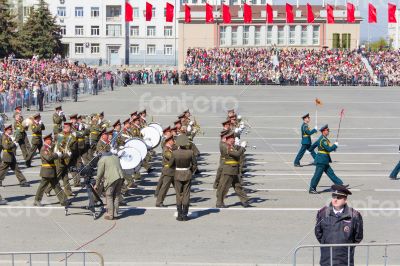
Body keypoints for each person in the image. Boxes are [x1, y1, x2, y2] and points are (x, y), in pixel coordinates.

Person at [315, 185, 363, 266]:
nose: (335, 200)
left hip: (345, 259)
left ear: (345, 200)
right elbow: (318, 233)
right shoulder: (323, 213)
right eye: (334, 196)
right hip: (327, 259)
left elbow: (358, 237)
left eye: (339, 197)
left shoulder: (354, 215)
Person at [216, 132, 250, 208]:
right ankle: (219, 202)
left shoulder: (230, 146)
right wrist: (243, 147)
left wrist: (241, 146)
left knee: (237, 186)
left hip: (234, 169)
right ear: (228, 139)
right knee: (224, 187)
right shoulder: (227, 147)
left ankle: (244, 200)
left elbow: (237, 148)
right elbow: (237, 154)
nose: (234, 140)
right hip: (229, 169)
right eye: (233, 139)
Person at [34, 134, 69, 207]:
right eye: (50, 139)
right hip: (46, 171)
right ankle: (37, 200)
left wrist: (66, 154)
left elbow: (57, 151)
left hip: (52, 171)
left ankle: (63, 200)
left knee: (56, 186)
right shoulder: (44, 149)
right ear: (46, 140)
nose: (51, 141)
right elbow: (49, 158)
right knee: (42, 187)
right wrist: (57, 155)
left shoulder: (50, 148)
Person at [309, 125, 345, 194]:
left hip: (324, 160)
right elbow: (328, 149)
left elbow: (311, 148)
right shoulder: (322, 140)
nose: (328, 131)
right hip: (321, 161)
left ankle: (340, 185)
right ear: (323, 131)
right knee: (317, 176)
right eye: (327, 130)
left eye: (328, 130)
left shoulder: (323, 138)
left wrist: (333, 148)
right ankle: (312, 189)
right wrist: (335, 145)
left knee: (331, 173)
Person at [170, 135, 197, 221]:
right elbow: (195, 164)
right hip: (187, 173)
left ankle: (179, 214)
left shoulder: (174, 153)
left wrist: (175, 169)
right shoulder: (190, 152)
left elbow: (170, 164)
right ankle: (185, 215)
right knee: (186, 194)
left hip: (177, 173)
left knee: (178, 194)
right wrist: (191, 171)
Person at [95, 151, 124, 220]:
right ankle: (116, 214)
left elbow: (99, 174)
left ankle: (110, 215)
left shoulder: (102, 160)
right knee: (116, 195)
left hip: (111, 179)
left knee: (109, 196)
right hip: (120, 177)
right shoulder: (115, 157)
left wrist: (97, 185)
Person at [156, 136, 175, 207]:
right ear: (169, 141)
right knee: (165, 187)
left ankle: (183, 201)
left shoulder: (170, 148)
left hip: (173, 171)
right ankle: (159, 202)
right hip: (168, 171)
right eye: (173, 140)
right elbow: (171, 157)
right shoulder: (166, 149)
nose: (174, 142)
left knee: (179, 188)